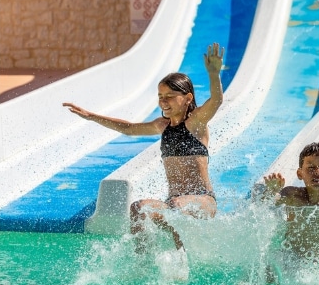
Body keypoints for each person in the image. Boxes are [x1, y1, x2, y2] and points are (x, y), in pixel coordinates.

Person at [63, 43, 226, 251]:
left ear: (188, 98)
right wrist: (92, 117)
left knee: (176, 206)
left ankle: (181, 259)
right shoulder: (162, 125)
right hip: (173, 203)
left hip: (203, 202)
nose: (163, 102)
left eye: (169, 96)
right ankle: (142, 262)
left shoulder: (196, 122)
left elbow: (217, 101)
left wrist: (213, 73)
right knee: (138, 208)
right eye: (160, 96)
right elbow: (129, 128)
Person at [257, 142, 319, 263]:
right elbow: (264, 206)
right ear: (300, 174)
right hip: (291, 257)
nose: (318, 171)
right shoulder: (291, 195)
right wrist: (271, 191)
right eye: (311, 167)